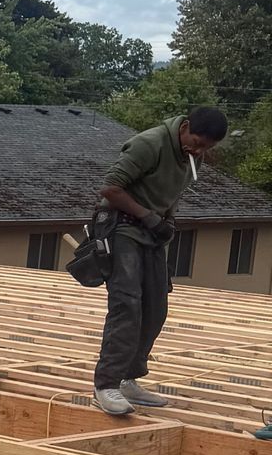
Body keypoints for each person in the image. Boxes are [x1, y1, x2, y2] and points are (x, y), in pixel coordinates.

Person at [90, 105, 228, 416]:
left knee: (155, 306)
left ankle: (129, 379)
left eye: (207, 147)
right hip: (120, 225)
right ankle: (106, 385)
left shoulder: (193, 155)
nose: (200, 150)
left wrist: (168, 221)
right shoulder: (150, 144)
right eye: (197, 142)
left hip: (149, 229)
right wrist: (148, 216)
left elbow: (173, 193)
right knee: (127, 303)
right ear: (185, 127)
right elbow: (111, 188)